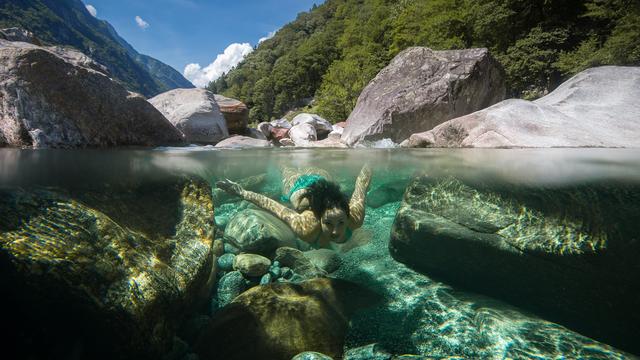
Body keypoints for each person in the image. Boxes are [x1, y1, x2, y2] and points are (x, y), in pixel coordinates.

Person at [217, 164, 372, 248]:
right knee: (285, 168)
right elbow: (274, 207)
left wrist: (371, 161)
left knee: (309, 166)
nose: (335, 231)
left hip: (320, 181)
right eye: (328, 223)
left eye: (341, 223)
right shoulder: (306, 228)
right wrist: (242, 193)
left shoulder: (355, 217)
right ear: (318, 218)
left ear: (348, 215)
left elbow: (362, 185)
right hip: (298, 187)